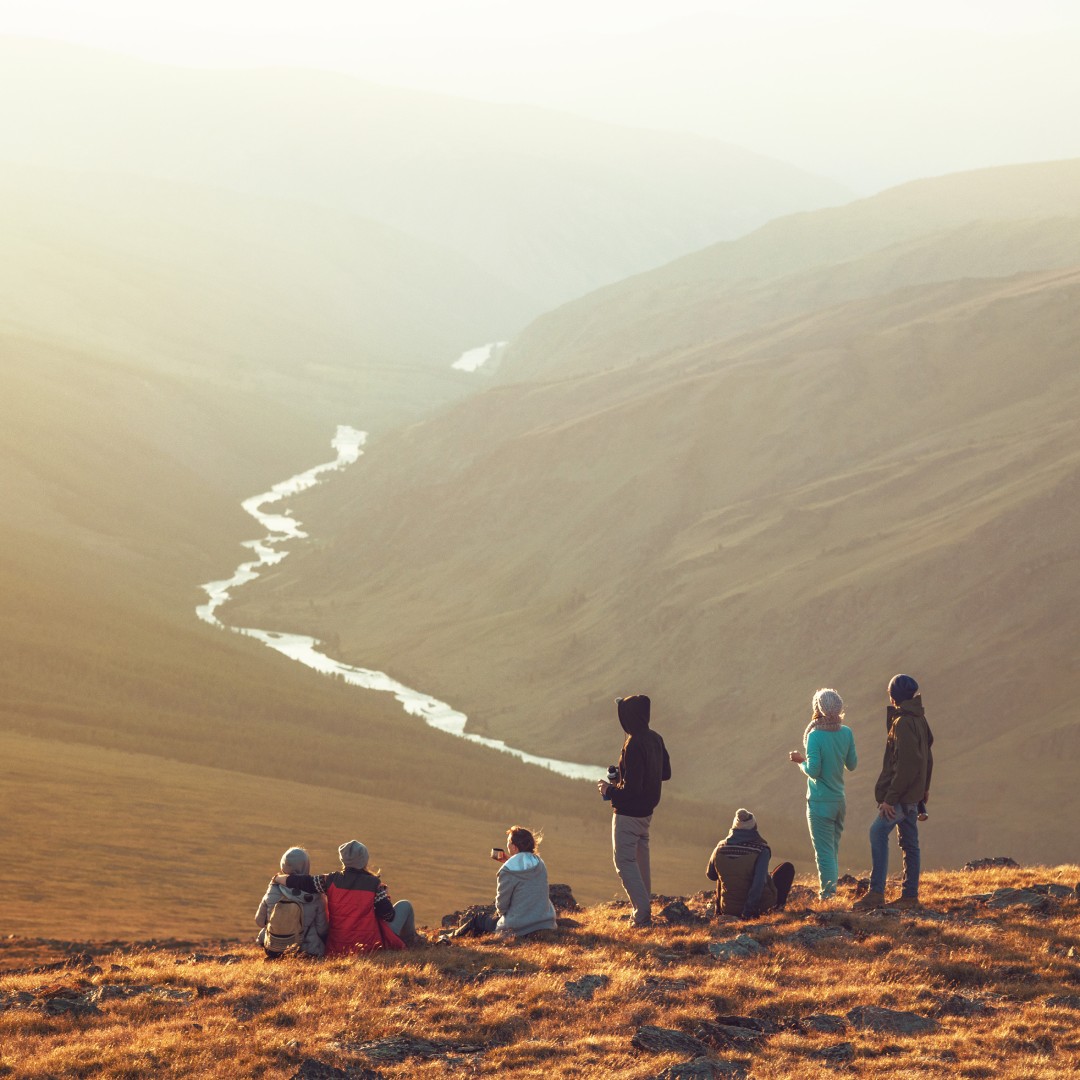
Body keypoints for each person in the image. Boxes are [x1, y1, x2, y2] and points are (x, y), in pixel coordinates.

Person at [852, 674, 934, 911]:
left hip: (902, 794)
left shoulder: (903, 722)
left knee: (877, 832)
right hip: (913, 793)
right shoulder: (919, 719)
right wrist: (925, 787)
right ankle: (910, 896)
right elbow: (927, 756)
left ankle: (876, 892)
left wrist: (890, 799)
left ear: (893, 695)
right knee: (910, 843)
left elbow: (906, 764)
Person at [597, 694, 671, 928]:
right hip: (647, 813)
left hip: (628, 815)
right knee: (640, 860)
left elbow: (632, 791)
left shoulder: (634, 743)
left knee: (624, 861)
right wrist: (626, 777)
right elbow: (665, 773)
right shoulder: (655, 738)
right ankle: (643, 908)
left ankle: (641, 914)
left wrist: (609, 789)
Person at [273, 840, 416, 954]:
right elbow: (388, 916)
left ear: (343, 860)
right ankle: (414, 939)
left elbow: (304, 882)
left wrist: (279, 879)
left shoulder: (330, 880)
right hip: (369, 947)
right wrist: (384, 896)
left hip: (337, 948)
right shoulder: (374, 884)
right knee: (405, 905)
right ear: (364, 860)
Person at [789, 688, 858, 899]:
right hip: (839, 801)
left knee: (824, 853)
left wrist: (800, 761)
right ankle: (831, 892)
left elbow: (814, 771)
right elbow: (852, 764)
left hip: (820, 802)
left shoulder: (814, 736)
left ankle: (828, 897)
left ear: (818, 709)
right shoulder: (846, 732)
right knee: (832, 849)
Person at [451, 826, 558, 939]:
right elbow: (526, 876)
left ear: (515, 847)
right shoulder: (540, 863)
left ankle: (451, 937)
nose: (507, 845)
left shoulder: (507, 870)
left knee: (479, 919)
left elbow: (502, 906)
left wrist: (508, 865)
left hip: (519, 926)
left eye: (508, 842)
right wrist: (509, 861)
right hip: (545, 921)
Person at [706, 809, 795, 919]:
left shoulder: (719, 848)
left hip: (728, 909)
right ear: (754, 827)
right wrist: (748, 911)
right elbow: (759, 882)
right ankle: (778, 909)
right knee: (786, 869)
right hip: (758, 909)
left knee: (724, 873)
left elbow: (712, 875)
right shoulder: (761, 849)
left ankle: (718, 911)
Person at [255, 846, 328, 957]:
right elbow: (322, 929)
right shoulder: (315, 894)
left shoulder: (273, 888)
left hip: (273, 949)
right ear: (306, 865)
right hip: (306, 950)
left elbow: (259, 921)